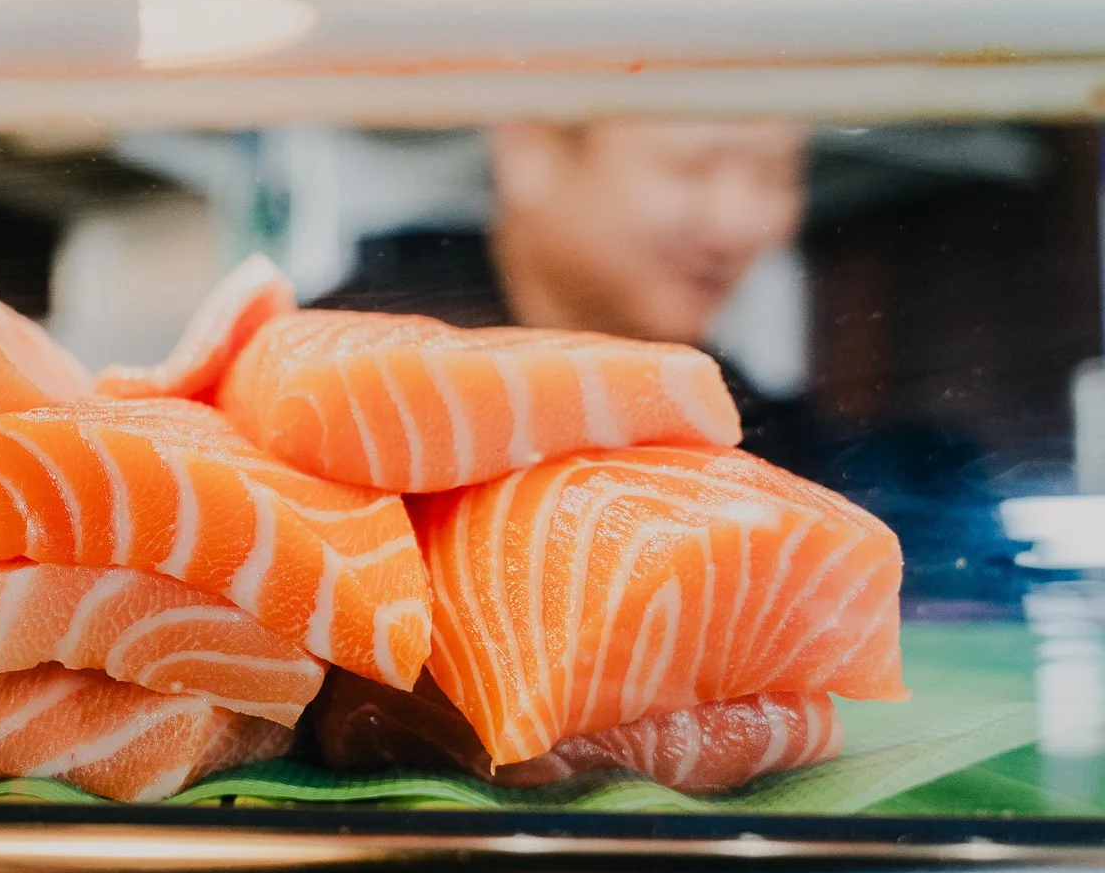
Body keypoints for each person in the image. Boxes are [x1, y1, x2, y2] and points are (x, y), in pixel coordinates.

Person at [315, 117, 1018, 604]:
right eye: (692, 166)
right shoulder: (357, 354)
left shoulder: (743, 419)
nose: (738, 221)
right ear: (526, 148)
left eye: (778, 174)